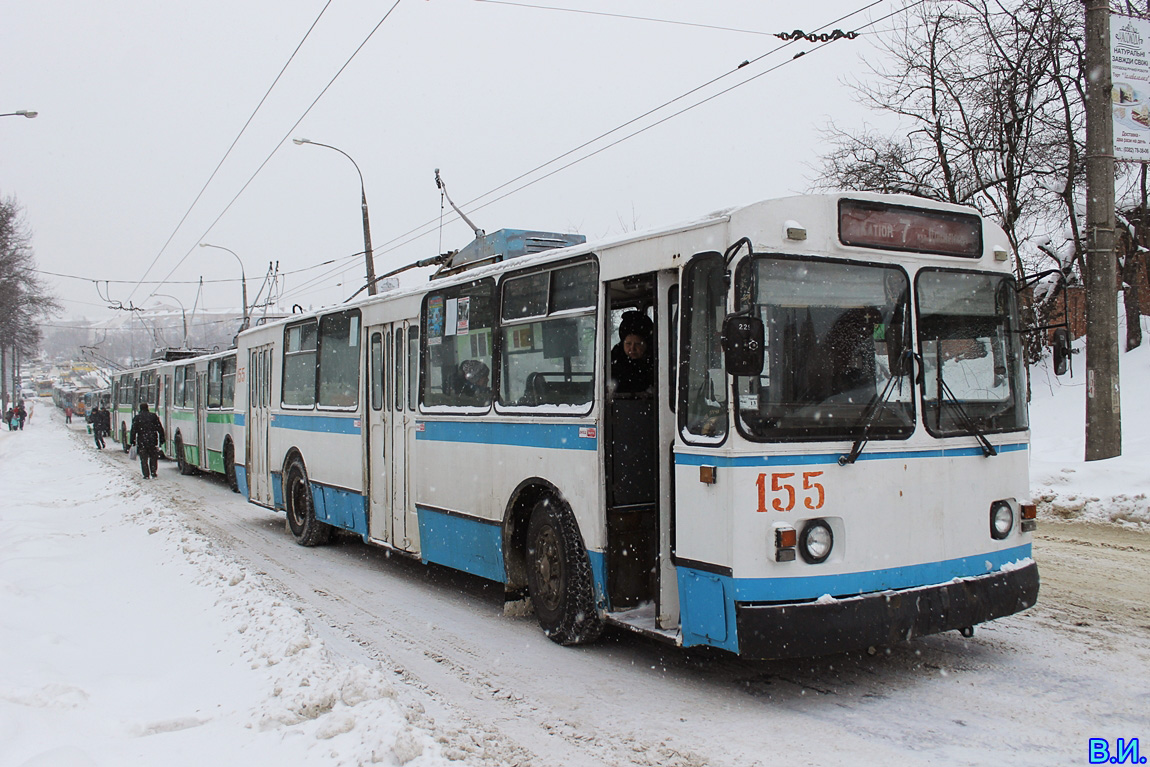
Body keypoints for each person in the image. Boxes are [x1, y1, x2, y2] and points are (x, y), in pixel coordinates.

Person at [610, 310, 655, 394]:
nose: (632, 348)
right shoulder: (615, 358)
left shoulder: (655, 361)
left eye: (638, 344)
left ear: (647, 344)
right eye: (628, 343)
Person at [129, 403, 165, 479]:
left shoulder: (137, 418)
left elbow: (133, 430)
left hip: (142, 440)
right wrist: (162, 438)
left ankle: (146, 474)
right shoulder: (153, 416)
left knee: (143, 458)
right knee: (153, 457)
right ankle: (153, 471)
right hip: (152, 440)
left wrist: (132, 440)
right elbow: (160, 428)